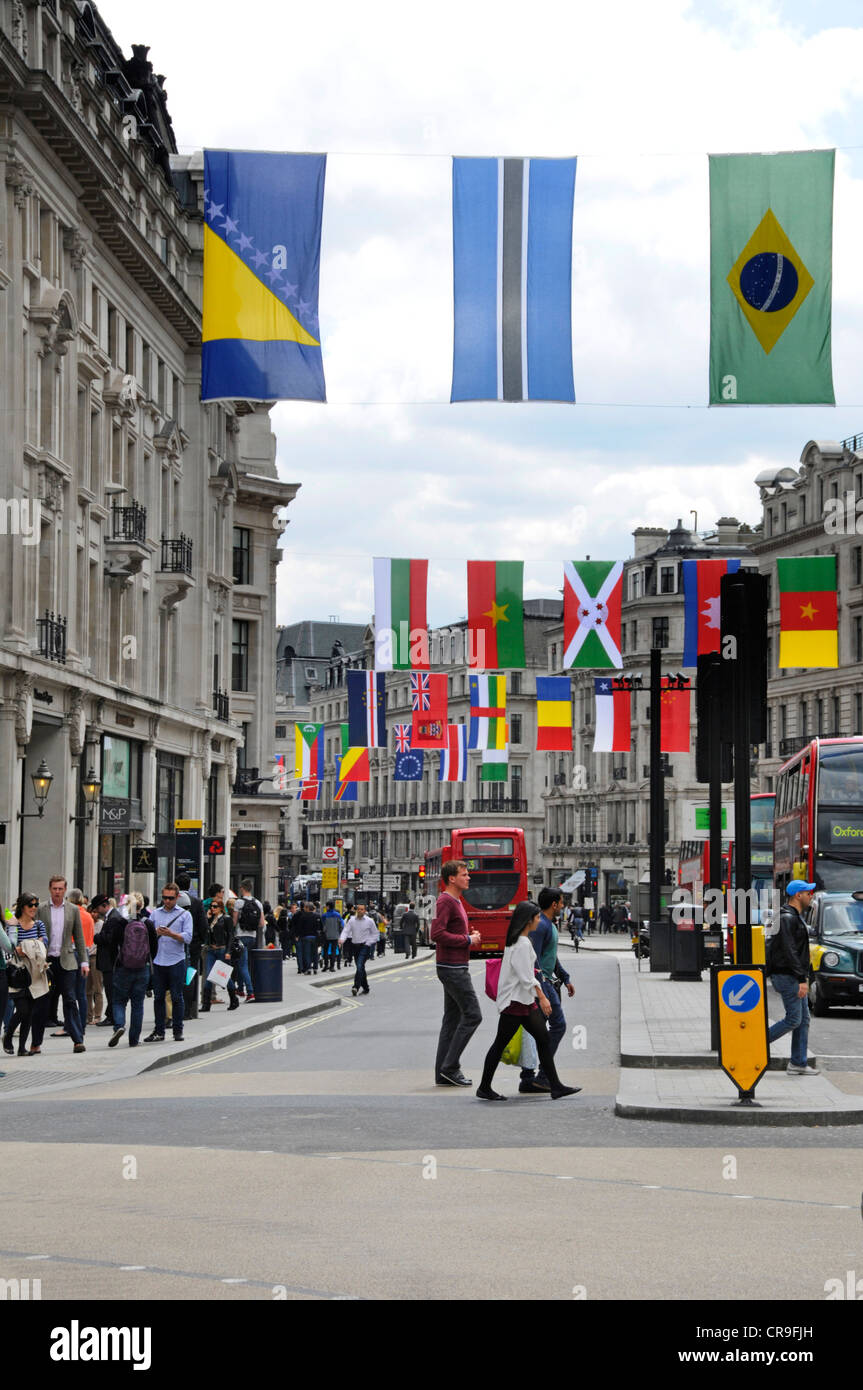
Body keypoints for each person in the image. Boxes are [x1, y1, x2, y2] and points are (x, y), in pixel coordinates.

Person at [476, 901, 581, 1102]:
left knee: (543, 1040)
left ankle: (556, 1086)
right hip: (516, 1003)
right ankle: (484, 1087)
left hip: (523, 1001)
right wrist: (542, 997)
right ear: (528, 920)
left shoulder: (518, 940)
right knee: (500, 1044)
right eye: (537, 917)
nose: (539, 920)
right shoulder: (522, 943)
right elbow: (526, 977)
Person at [518, 887, 575, 1094]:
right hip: (543, 984)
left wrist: (564, 977)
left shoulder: (546, 923)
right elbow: (535, 960)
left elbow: (550, 955)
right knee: (558, 1025)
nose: (563, 906)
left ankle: (527, 1078)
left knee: (536, 1031)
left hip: (546, 982)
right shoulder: (541, 925)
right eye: (561, 902)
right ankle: (542, 1077)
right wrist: (542, 990)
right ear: (554, 904)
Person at [431, 860, 482, 1087]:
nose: (468, 877)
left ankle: (443, 1073)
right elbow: (437, 933)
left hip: (455, 965)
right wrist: (467, 940)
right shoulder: (445, 901)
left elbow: (450, 931)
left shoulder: (456, 901)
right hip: (452, 968)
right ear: (452, 878)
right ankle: (451, 1067)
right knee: (473, 1015)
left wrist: (469, 935)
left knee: (451, 1020)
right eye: (464, 874)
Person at [766, 879, 819, 1075]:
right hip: (788, 976)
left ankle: (798, 1062)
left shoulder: (790, 916)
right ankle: (757, 1043)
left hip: (790, 974)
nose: (810, 896)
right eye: (808, 893)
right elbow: (790, 951)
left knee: (803, 1019)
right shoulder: (788, 918)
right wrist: (801, 979)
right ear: (798, 895)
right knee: (794, 1019)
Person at [42, 874, 88, 1051]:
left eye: (61, 889)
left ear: (65, 890)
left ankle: (78, 1040)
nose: (57, 892)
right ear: (50, 889)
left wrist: (84, 962)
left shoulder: (72, 910)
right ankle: (35, 1043)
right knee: (42, 1001)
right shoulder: (41, 909)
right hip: (47, 961)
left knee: (70, 999)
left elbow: (79, 937)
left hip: (67, 960)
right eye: (54, 889)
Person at [144, 882, 193, 1043]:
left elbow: (187, 937)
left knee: (177, 997)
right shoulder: (155, 914)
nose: (167, 901)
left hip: (176, 961)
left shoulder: (185, 915)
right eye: (164, 897)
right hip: (158, 960)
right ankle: (159, 1031)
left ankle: (178, 1031)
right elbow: (147, 935)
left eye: (170, 898)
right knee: (158, 998)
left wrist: (171, 934)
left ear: (177, 897)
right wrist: (155, 933)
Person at [3, 893, 51, 1056]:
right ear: (23, 906)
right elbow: (11, 946)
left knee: (29, 1012)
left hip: (35, 973)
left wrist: (30, 947)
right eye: (31, 905)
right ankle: (8, 1036)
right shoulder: (13, 924)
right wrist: (27, 946)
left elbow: (44, 942)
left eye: (36, 905)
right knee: (22, 1010)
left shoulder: (38, 924)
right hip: (19, 973)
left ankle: (22, 1047)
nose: (34, 908)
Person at [109, 897, 159, 1047]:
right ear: (141, 906)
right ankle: (134, 1039)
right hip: (141, 968)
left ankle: (119, 1026)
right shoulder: (148, 923)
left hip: (123, 967)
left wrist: (116, 963)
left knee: (119, 1001)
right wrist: (145, 960)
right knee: (138, 1004)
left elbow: (112, 946)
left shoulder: (121, 923)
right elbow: (154, 948)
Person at [339, 903, 379, 996]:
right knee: (360, 967)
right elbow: (346, 931)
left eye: (362, 909)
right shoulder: (352, 921)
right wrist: (341, 939)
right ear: (356, 910)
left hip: (365, 946)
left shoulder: (370, 921)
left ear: (365, 911)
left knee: (360, 965)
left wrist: (369, 943)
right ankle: (366, 987)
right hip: (355, 946)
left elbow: (375, 934)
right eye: (359, 909)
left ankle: (355, 987)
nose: (360, 911)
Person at [293, 900, 321, 976]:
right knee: (315, 953)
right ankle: (315, 968)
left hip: (306, 937)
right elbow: (320, 927)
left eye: (305, 908)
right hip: (315, 937)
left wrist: (297, 935)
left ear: (308, 908)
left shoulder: (303, 917)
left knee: (307, 953)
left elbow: (300, 927)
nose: (304, 909)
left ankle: (308, 968)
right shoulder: (317, 916)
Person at [321, 902, 344, 971]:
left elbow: (322, 925)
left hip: (326, 935)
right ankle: (332, 966)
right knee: (333, 951)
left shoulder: (324, 916)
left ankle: (325, 965)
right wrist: (339, 934)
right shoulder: (337, 915)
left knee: (325, 951)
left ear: (328, 907)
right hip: (335, 935)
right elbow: (341, 925)